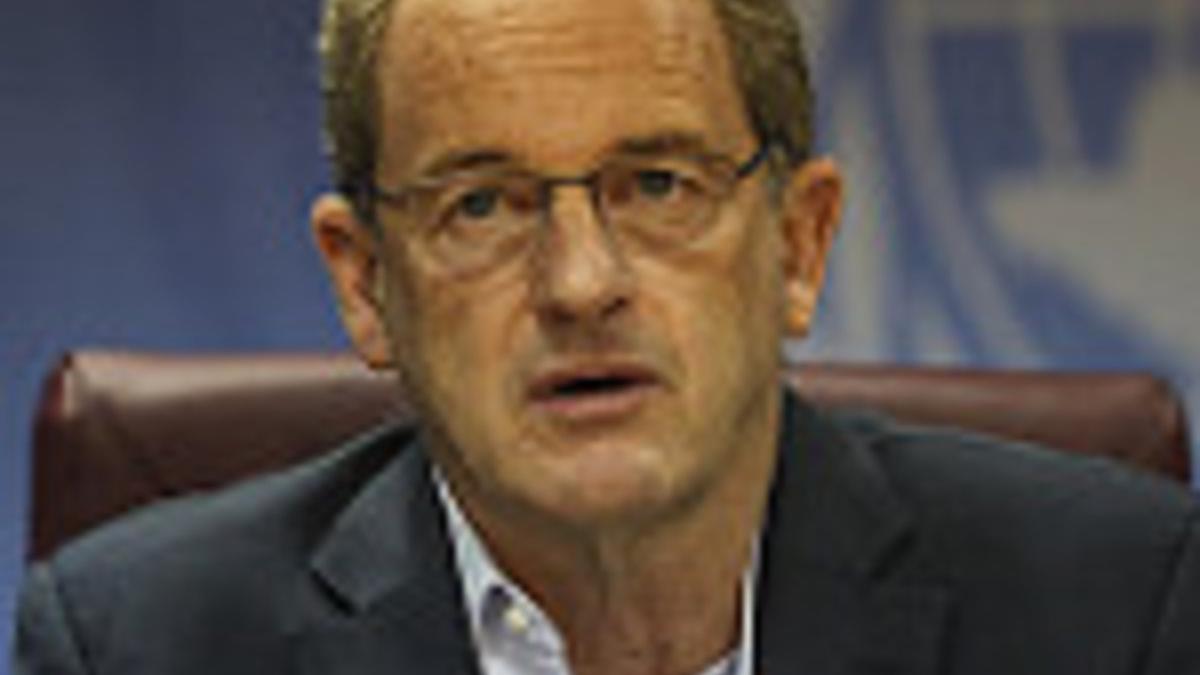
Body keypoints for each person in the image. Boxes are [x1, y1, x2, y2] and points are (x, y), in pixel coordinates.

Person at [14, 0, 1200, 673]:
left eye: (660, 185)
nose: (580, 283)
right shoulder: (137, 650)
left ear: (798, 245)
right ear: (366, 284)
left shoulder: (1116, 611)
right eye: (482, 204)